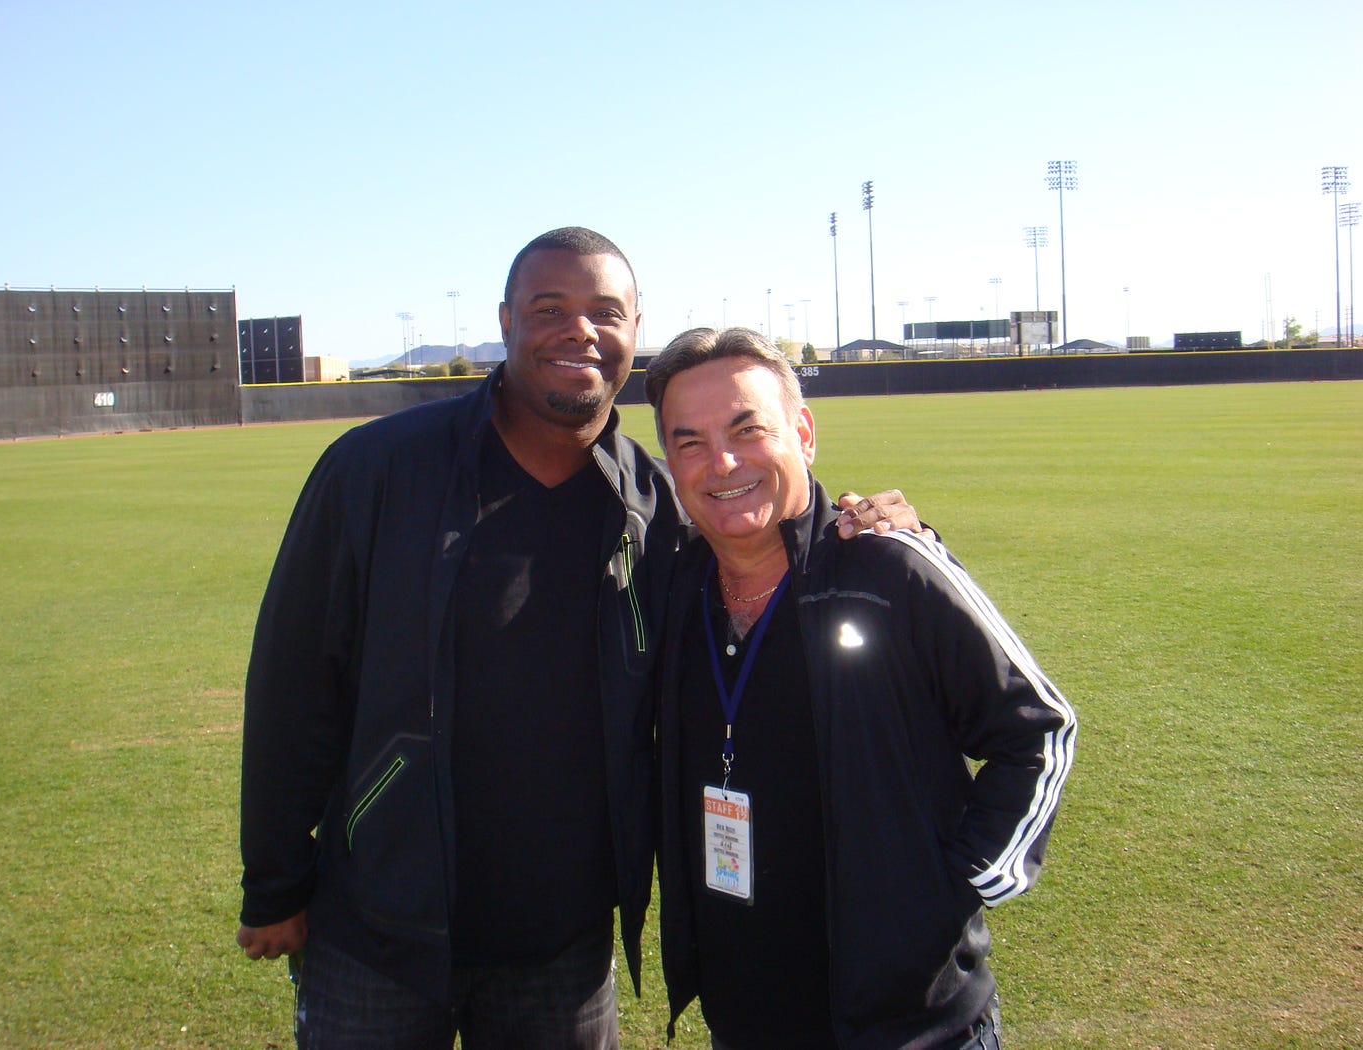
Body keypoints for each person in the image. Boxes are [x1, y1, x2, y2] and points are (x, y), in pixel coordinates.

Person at [236, 229, 919, 1050]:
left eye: (605, 311)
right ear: (505, 320)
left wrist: (879, 528)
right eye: (549, 309)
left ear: (636, 326)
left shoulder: (659, 503)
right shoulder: (377, 472)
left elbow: (776, 552)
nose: (579, 331)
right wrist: (275, 881)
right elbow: (292, 679)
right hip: (379, 927)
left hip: (564, 948)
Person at [646, 327, 1077, 1050]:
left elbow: (1037, 728)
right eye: (689, 442)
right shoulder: (672, 591)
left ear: (803, 431)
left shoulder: (886, 569)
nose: (721, 462)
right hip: (746, 1018)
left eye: (747, 428)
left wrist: (953, 888)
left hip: (910, 1028)